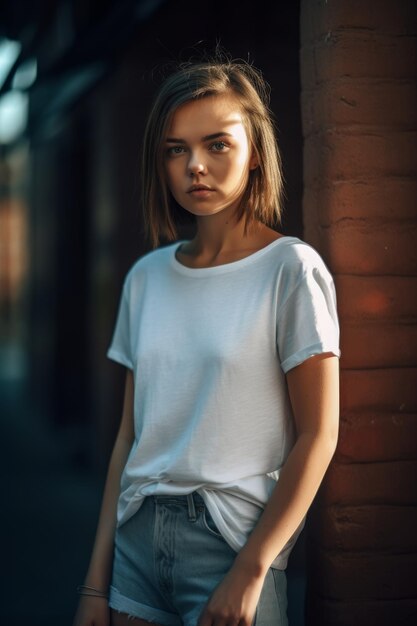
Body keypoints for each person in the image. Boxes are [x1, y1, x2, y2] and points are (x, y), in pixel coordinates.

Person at [73, 55, 340, 626]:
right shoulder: (145, 278)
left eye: (217, 144)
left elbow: (319, 434)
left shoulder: (290, 270)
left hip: (229, 543)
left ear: (255, 151)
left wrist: (253, 568)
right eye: (176, 149)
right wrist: (95, 587)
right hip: (136, 544)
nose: (195, 165)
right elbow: (128, 439)